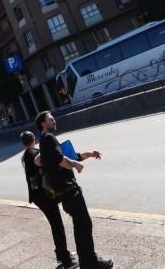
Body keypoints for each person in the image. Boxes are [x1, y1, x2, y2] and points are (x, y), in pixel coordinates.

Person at [36, 110, 113, 269]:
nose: (54, 121)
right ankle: (90, 262)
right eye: (51, 119)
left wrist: (89, 154)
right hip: (69, 190)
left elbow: (70, 155)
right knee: (84, 225)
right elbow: (61, 160)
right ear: (43, 123)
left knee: (80, 226)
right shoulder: (48, 138)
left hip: (64, 192)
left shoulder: (44, 141)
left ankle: (87, 261)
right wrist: (75, 165)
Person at [21, 131, 74, 268]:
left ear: (23, 143)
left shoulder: (26, 155)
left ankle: (62, 255)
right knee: (57, 225)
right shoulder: (34, 153)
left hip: (38, 195)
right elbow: (47, 163)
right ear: (33, 139)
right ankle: (66, 260)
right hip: (44, 195)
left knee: (55, 224)